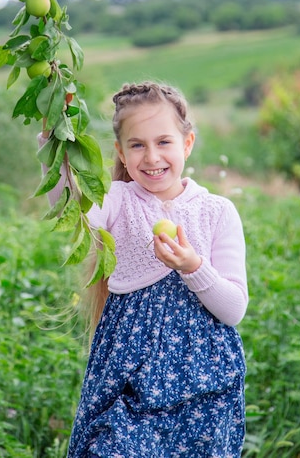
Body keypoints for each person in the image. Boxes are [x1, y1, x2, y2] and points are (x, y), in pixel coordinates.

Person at [38, 81, 248, 458]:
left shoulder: (217, 211)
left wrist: (192, 266)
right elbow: (72, 211)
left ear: (187, 143)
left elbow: (233, 309)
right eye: (137, 145)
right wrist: (54, 142)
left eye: (164, 142)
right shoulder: (116, 200)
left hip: (202, 382)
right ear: (120, 151)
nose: (151, 157)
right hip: (129, 376)